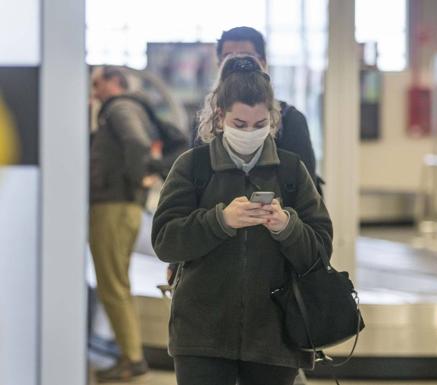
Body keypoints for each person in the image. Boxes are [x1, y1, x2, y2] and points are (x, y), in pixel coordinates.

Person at [151, 55, 333, 385]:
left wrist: (287, 227)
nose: (250, 132)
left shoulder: (291, 171)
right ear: (220, 117)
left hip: (275, 339)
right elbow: (165, 240)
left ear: (272, 120)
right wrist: (220, 220)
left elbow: (320, 251)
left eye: (260, 124)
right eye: (240, 124)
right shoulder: (192, 167)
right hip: (201, 339)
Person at [90, 66, 152, 382]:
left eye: (98, 83)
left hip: (113, 205)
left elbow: (137, 143)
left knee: (112, 285)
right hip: (118, 204)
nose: (94, 90)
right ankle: (129, 355)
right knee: (116, 284)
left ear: (116, 82)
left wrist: (135, 181)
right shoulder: (119, 109)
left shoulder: (120, 107)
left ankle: (132, 358)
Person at [214, 26, 320, 191]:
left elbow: (308, 196)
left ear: (262, 63)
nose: (237, 64)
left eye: (246, 57)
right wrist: (220, 216)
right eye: (228, 58)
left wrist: (283, 216)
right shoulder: (203, 122)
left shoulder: (291, 120)